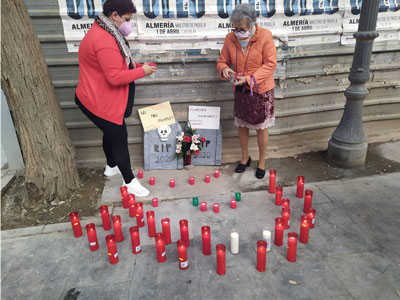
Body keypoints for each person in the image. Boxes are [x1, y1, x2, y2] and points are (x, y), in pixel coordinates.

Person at [75, 0, 156, 196]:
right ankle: (129, 181)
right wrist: (142, 72)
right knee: (119, 138)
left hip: (94, 96)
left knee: (109, 133)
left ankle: (111, 166)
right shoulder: (104, 40)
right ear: (115, 16)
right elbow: (115, 77)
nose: (130, 24)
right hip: (99, 101)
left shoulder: (104, 29)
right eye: (127, 19)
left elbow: (117, 63)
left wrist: (137, 66)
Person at [216, 4, 277, 179]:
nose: (238, 32)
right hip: (241, 90)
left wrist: (250, 79)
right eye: (235, 28)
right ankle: (244, 158)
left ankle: (262, 161)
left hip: (261, 90)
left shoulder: (265, 36)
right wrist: (225, 69)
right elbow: (222, 61)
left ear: (252, 25)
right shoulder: (230, 39)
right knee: (242, 125)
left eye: (241, 29)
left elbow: (270, 64)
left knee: (260, 127)